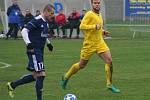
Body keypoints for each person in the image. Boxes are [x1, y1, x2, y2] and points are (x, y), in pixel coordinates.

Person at [61, 0, 120, 93]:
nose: (97, 4)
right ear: (92, 4)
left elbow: (98, 28)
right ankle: (66, 77)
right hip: (89, 44)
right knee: (81, 65)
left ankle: (109, 84)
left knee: (109, 61)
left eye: (98, 3)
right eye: (95, 3)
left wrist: (103, 32)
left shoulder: (99, 15)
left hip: (100, 43)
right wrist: (93, 27)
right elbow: (81, 26)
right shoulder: (89, 14)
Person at [7, 4, 55, 100]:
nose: (52, 15)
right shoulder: (37, 20)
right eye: (51, 13)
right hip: (34, 51)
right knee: (41, 75)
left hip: (40, 51)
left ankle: (12, 85)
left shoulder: (46, 22)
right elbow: (24, 31)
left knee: (36, 75)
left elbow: (43, 35)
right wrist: (28, 43)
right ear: (45, 11)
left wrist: (48, 43)